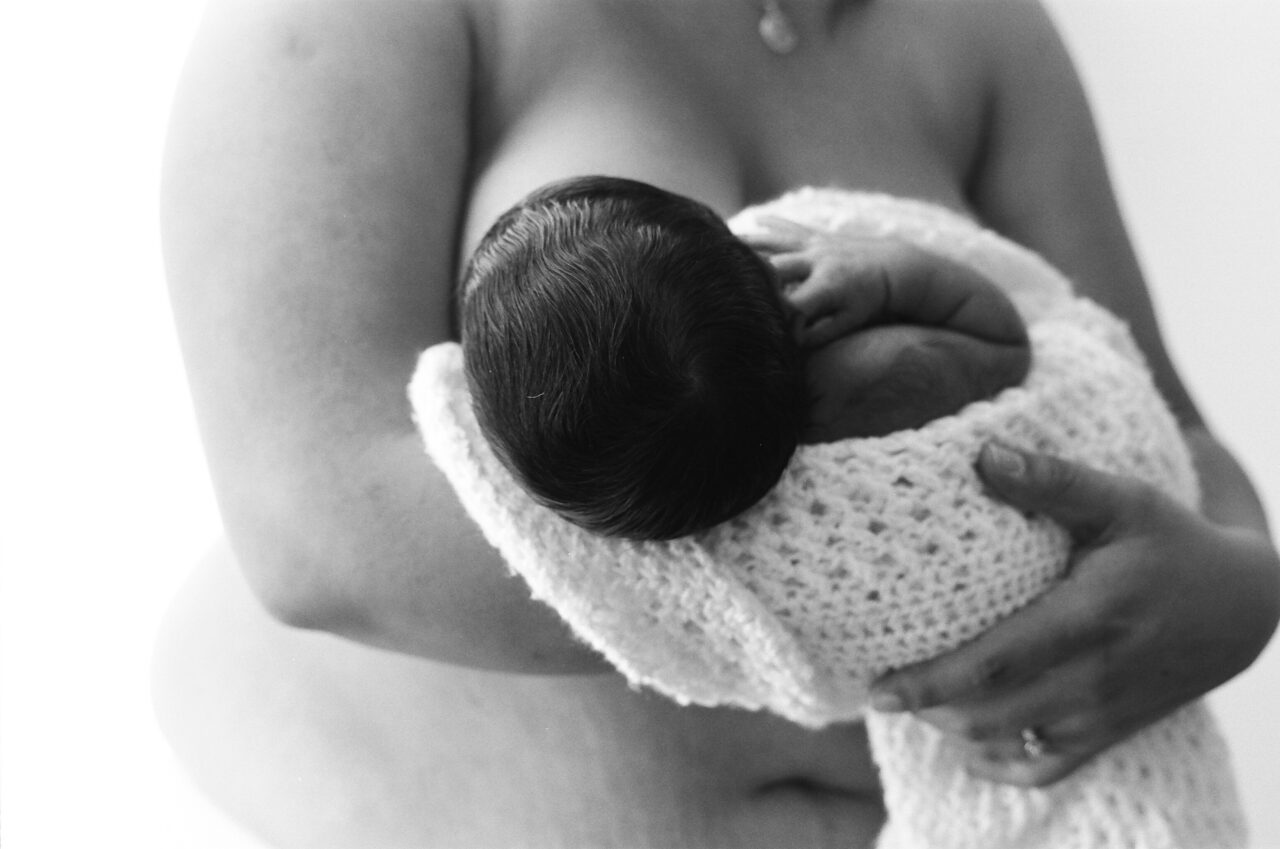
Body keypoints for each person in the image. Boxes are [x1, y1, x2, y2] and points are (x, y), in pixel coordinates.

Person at [152, 2, 1279, 847]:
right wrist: (920, 579)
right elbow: (318, 530)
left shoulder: (977, 29)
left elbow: (1155, 418)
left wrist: (1235, 592)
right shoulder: (384, 21)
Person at [460, 174, 1030, 540]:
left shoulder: (649, 471)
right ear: (789, 304)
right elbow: (1006, 346)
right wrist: (886, 274)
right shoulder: (867, 374)